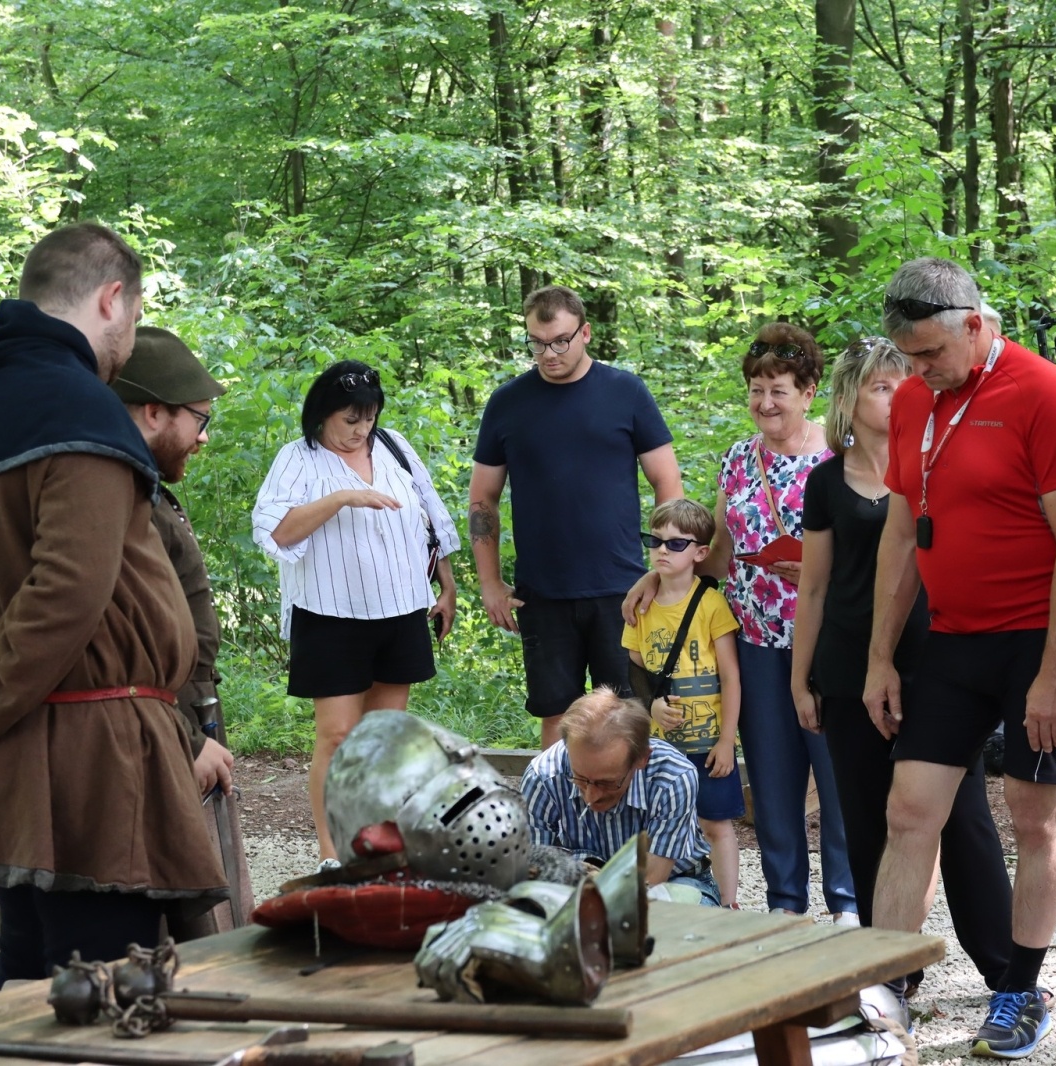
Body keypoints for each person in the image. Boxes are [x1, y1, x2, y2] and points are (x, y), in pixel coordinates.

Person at [0, 222, 228, 989]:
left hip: (36, 747)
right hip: (94, 764)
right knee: (102, 999)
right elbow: (65, 596)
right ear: (112, 298)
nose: (129, 342)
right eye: (135, 320)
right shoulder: (76, 405)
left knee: (33, 986)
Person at [864, 258, 1056, 1059]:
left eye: (930, 354)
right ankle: (883, 992)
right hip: (952, 641)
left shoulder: (1041, 391)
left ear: (975, 322)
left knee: (1036, 817)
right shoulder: (914, 403)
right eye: (908, 359)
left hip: (1036, 638)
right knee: (909, 811)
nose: (920, 372)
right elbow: (900, 536)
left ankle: (1020, 990)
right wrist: (879, 659)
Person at [790, 336, 1013, 990]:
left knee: (965, 819)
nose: (898, 395)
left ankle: (1007, 975)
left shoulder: (937, 462)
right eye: (881, 387)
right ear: (849, 400)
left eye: (903, 382)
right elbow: (813, 588)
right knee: (865, 822)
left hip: (941, 666)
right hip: (846, 670)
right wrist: (800, 678)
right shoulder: (826, 481)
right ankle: (891, 972)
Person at [629, 322, 858, 923]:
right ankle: (784, 905)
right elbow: (720, 550)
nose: (765, 403)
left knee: (837, 780)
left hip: (829, 643)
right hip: (754, 643)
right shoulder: (738, 458)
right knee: (776, 783)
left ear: (810, 392)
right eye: (757, 389)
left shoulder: (841, 459)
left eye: (779, 389)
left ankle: (847, 906)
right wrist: (660, 576)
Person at [252, 360, 462, 862]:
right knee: (338, 735)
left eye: (367, 418)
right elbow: (277, 530)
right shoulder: (297, 458)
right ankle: (331, 852)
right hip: (330, 613)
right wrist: (343, 496)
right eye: (350, 420)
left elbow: (433, 515)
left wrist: (448, 585)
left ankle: (373, 846)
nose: (360, 430)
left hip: (401, 608)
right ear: (322, 414)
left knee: (383, 740)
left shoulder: (392, 446)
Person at [469, 286, 683, 750]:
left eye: (561, 340)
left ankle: (630, 819)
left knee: (629, 717)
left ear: (585, 332)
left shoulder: (626, 392)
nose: (549, 353)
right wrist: (490, 583)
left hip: (622, 589)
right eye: (538, 342)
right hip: (542, 593)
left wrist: (661, 569)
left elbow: (667, 484)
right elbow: (483, 499)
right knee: (556, 719)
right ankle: (559, 818)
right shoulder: (508, 403)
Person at [111, 326, 255, 934]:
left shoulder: (146, 489)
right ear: (152, 411)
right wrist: (186, 742)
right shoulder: (117, 494)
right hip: (156, 734)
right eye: (198, 419)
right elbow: (120, 646)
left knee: (211, 913)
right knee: (174, 927)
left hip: (187, 719)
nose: (203, 437)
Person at [622, 498, 743, 907]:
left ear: (700, 553)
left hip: (708, 745)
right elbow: (636, 669)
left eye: (675, 544)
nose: (661, 550)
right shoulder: (640, 607)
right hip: (660, 748)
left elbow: (730, 675)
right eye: (654, 540)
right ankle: (659, 898)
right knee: (656, 822)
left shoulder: (710, 603)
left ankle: (728, 904)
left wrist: (727, 741)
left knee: (716, 824)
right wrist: (651, 706)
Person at [520, 688, 719, 904]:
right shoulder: (542, 777)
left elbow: (651, 880)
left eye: (606, 783)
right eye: (579, 778)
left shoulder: (673, 777)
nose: (591, 796)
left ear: (642, 759)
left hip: (675, 882)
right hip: (575, 889)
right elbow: (535, 875)